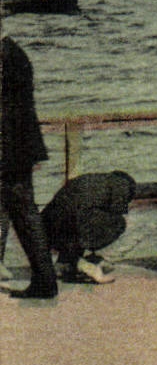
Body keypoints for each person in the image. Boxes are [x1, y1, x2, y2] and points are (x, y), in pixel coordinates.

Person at [1, 34, 58, 299]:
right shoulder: (14, 52)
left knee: (24, 215)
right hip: (19, 147)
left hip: (9, 149)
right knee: (25, 213)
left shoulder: (5, 56)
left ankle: (45, 281)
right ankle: (46, 280)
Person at [42, 171, 136, 284]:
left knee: (83, 215)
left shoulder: (92, 178)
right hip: (74, 225)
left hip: (46, 226)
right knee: (118, 223)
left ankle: (64, 263)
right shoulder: (122, 184)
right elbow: (116, 212)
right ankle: (85, 265)